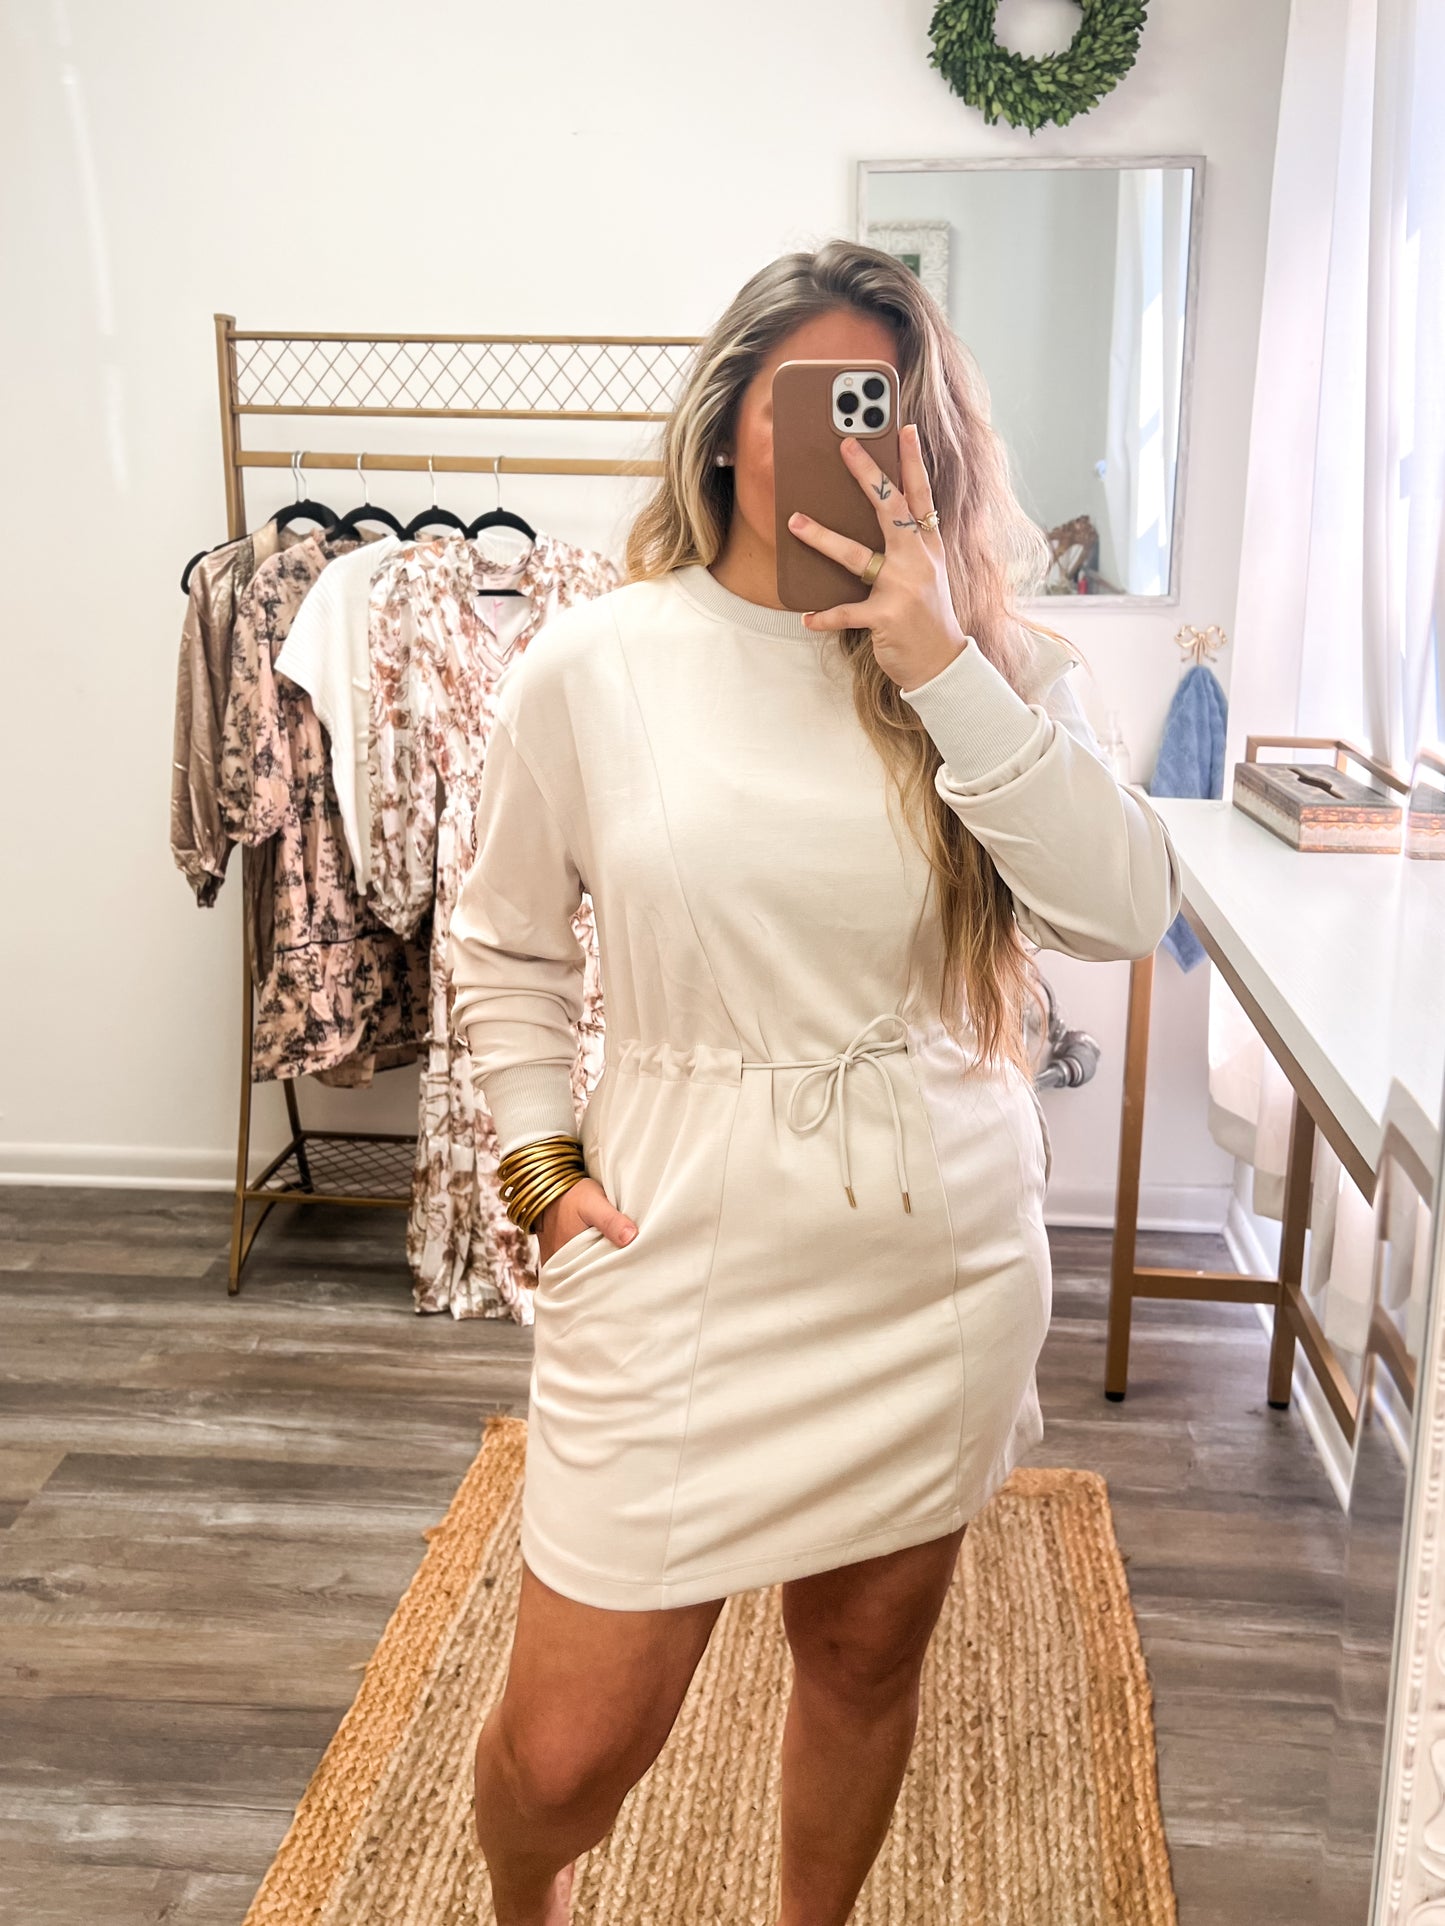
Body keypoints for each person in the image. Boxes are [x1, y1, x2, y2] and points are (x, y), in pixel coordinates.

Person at [447, 238, 1182, 1926]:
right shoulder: (597, 663)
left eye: (887, 410)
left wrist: (941, 666)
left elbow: (1124, 908)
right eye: (816, 402)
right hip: (673, 1240)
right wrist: (539, 1163)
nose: (855, 444)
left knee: (860, 1664)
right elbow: (503, 938)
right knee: (563, 1754)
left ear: (934, 443)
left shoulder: (999, 668)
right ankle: (523, 1903)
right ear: (728, 426)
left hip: (930, 1254)